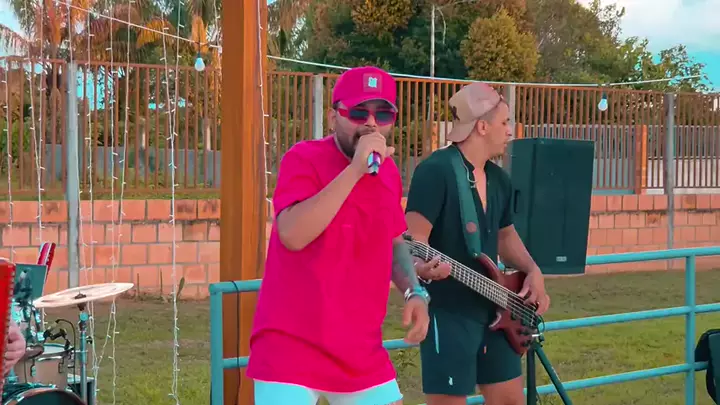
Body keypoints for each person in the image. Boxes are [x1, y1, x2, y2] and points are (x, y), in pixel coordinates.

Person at [247, 66, 431, 405]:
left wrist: (414, 292)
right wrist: (355, 171)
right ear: (334, 117)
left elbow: (393, 242)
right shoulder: (303, 158)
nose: (371, 124)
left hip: (359, 349)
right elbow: (292, 234)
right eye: (359, 112)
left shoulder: (388, 172)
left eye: (383, 114)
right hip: (291, 346)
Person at [404, 82, 551, 405]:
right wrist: (421, 268)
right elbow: (413, 241)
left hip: (498, 309)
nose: (510, 131)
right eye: (505, 122)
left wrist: (533, 271)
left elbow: (505, 236)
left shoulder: (499, 179)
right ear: (482, 127)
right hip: (449, 312)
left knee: (511, 401)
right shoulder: (435, 171)